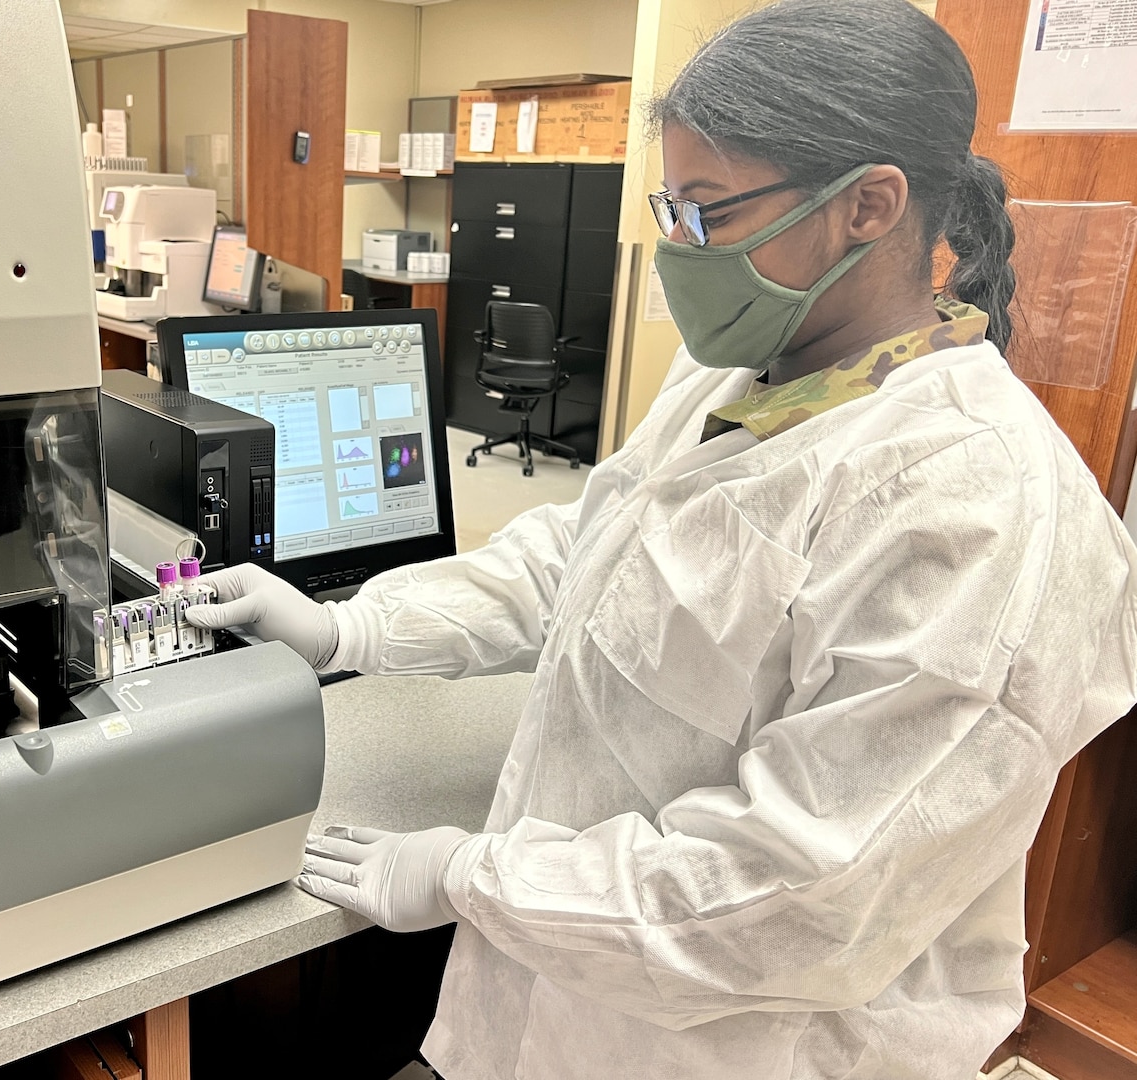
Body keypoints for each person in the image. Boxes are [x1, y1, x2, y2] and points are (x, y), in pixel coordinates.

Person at [184, 1, 1137, 1076]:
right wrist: (347, 629)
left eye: (710, 213)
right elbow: (587, 558)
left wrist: (470, 877)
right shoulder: (742, 374)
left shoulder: (983, 512)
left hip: (746, 1045)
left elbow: (797, 896)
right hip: (552, 998)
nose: (679, 251)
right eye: (670, 209)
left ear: (869, 204)